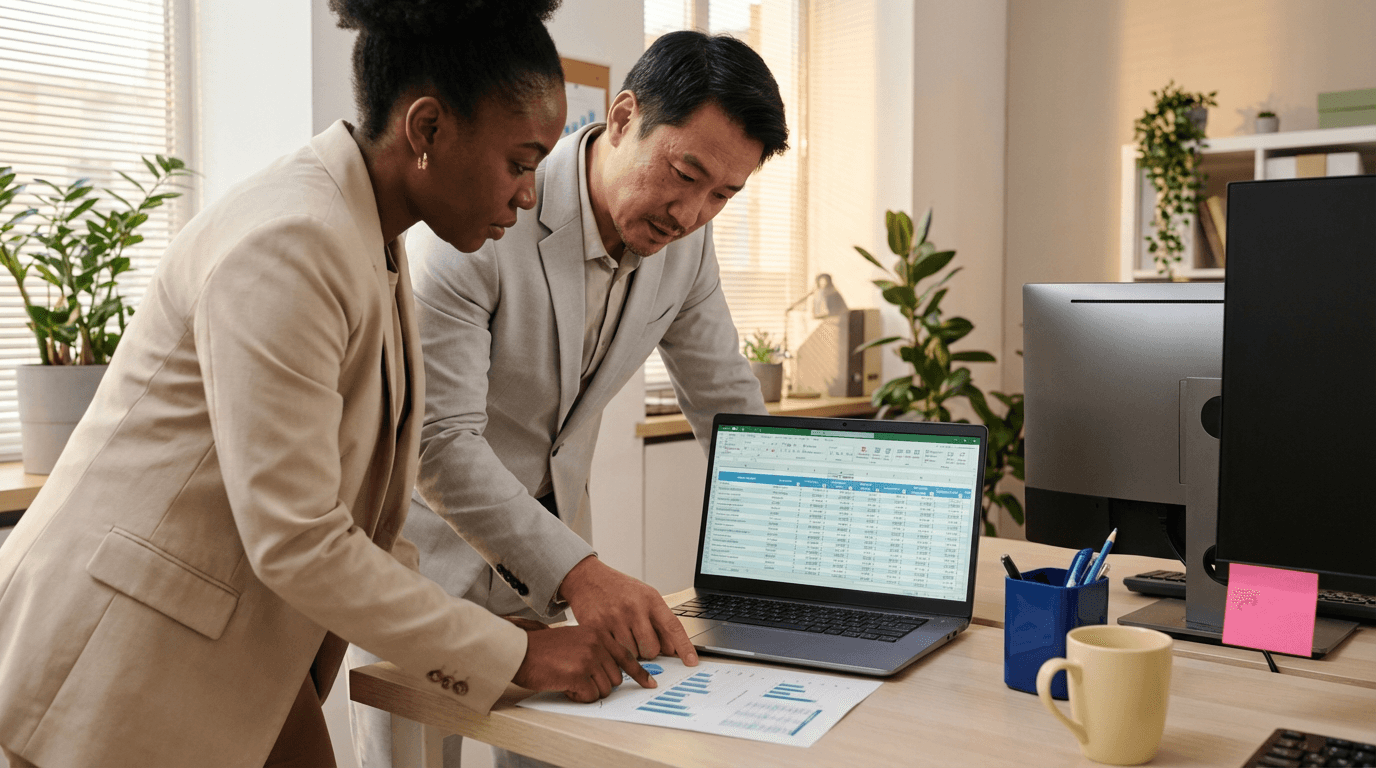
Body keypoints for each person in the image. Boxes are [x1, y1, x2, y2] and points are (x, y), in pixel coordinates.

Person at [0, 2, 656, 767]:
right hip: (120, 652)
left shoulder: (363, 232)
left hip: (234, 639)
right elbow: (299, 536)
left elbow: (367, 522)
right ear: (427, 129)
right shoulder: (293, 239)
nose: (528, 194)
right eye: (519, 162)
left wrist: (499, 644)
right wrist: (516, 656)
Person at [348, 30, 790, 767]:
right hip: (429, 571)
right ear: (623, 117)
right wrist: (581, 572)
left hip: (552, 578)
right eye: (685, 173)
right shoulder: (483, 210)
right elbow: (439, 442)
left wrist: (799, 555)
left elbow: (728, 405)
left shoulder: (686, 245)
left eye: (723, 194)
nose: (691, 212)